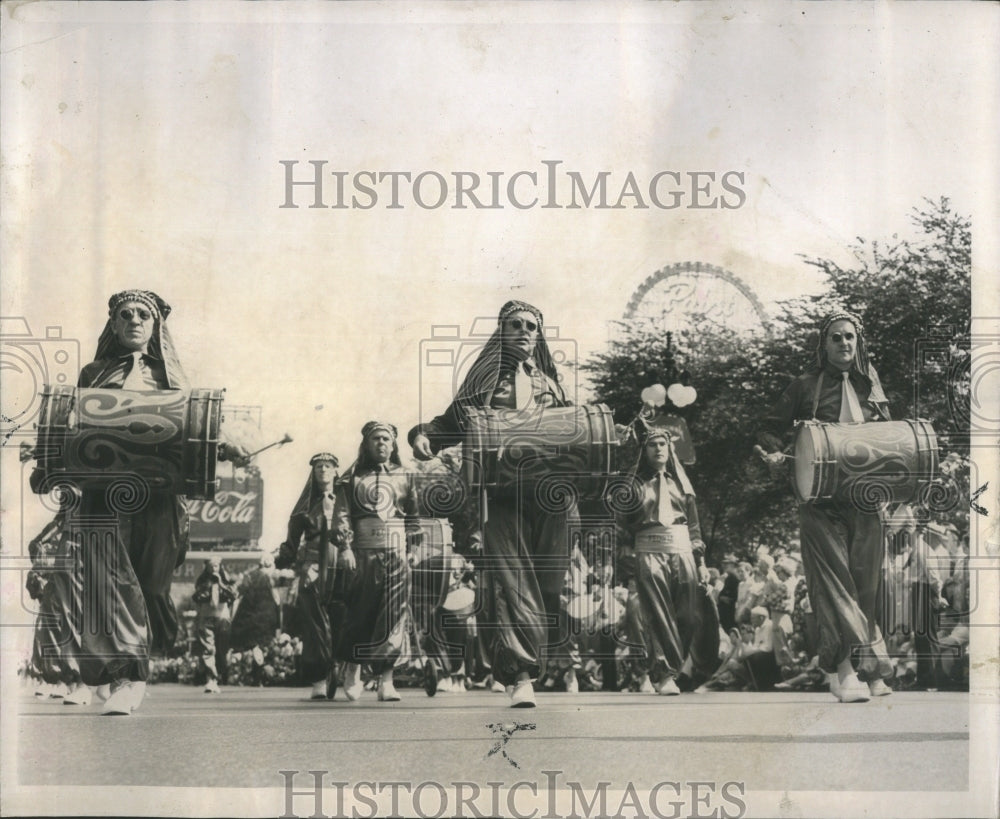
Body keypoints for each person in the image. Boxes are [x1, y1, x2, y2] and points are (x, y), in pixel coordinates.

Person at [29, 289, 247, 716]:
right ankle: (130, 677)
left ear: (155, 325)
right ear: (112, 325)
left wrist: (226, 444)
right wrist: (47, 455)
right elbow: (71, 427)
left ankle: (126, 669)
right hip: (101, 497)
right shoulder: (93, 373)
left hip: (157, 497)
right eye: (125, 315)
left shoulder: (175, 379)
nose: (133, 320)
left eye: (142, 315)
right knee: (105, 586)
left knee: (149, 587)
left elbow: (197, 427)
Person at [408, 300, 575, 708]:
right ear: (501, 331)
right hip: (504, 493)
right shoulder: (485, 381)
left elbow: (577, 430)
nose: (523, 331)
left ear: (539, 335)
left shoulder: (552, 383)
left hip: (554, 496)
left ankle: (531, 659)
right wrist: (423, 434)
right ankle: (521, 675)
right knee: (512, 582)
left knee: (549, 587)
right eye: (514, 325)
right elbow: (451, 422)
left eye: (530, 326)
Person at [758, 310, 893, 702]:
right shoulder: (804, 386)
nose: (844, 343)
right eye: (836, 338)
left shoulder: (872, 386)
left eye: (850, 337)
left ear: (858, 341)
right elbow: (768, 427)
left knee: (865, 586)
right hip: (819, 499)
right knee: (835, 582)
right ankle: (846, 671)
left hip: (865, 499)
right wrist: (773, 452)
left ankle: (868, 667)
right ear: (825, 344)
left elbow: (888, 439)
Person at [615, 422, 719, 695]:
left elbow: (694, 528)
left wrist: (701, 563)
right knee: (657, 614)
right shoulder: (634, 485)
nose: (658, 449)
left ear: (669, 448)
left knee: (688, 616)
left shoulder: (683, 485)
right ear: (644, 450)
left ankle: (671, 666)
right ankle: (663, 674)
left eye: (663, 444)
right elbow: (621, 525)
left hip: (682, 550)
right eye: (652, 444)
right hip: (649, 550)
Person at [334, 422, 421, 702]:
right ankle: (352, 668)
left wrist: (414, 548)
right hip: (363, 553)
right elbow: (342, 515)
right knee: (361, 612)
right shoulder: (352, 478)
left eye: (386, 439)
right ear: (366, 443)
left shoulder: (406, 475)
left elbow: (413, 517)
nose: (381, 443)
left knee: (395, 616)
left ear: (393, 444)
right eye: (376, 439)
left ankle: (386, 679)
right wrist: (345, 547)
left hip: (396, 554)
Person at [275, 453, 345, 700]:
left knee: (342, 615)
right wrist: (283, 557)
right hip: (314, 564)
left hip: (343, 560)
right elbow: (292, 539)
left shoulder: (347, 500)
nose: (323, 470)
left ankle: (342, 668)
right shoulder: (305, 505)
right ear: (313, 472)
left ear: (337, 470)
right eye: (318, 467)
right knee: (314, 621)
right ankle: (318, 678)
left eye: (328, 466)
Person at [193, 557, 236, 694]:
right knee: (208, 648)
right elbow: (197, 597)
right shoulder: (202, 581)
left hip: (222, 617)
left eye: (216, 566)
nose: (214, 569)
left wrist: (221, 584)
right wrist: (209, 586)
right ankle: (211, 679)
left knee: (222, 649)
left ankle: (221, 675)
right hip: (207, 617)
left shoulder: (226, 580)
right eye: (211, 566)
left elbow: (233, 595)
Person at [230, 553, 281, 653]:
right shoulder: (267, 579)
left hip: (246, 624)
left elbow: (239, 592)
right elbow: (275, 603)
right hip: (262, 625)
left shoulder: (251, 576)